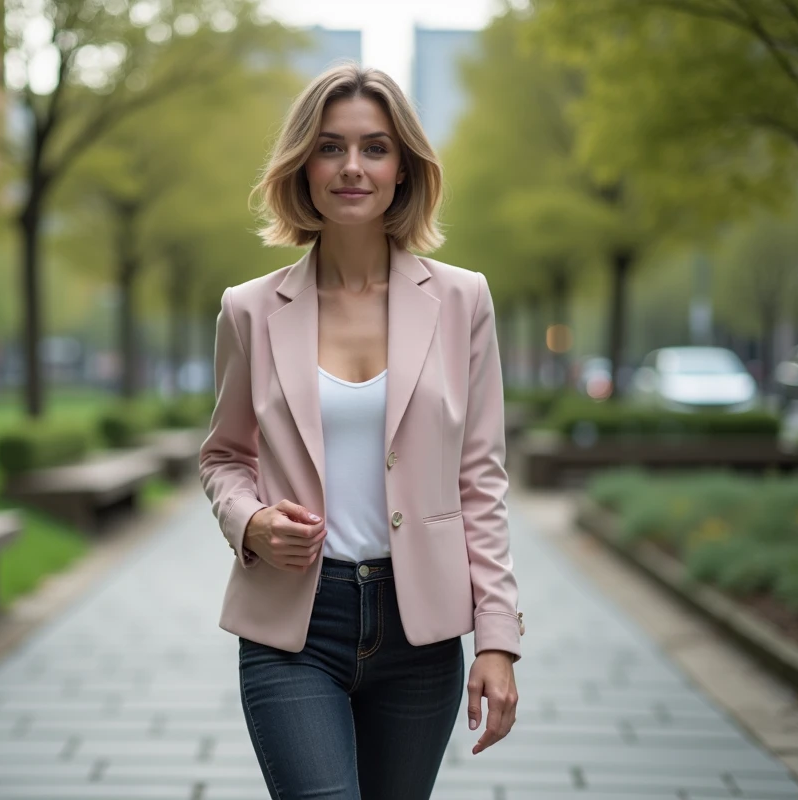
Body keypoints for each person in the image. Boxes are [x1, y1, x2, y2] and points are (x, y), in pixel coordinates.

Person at [198, 61, 524, 800]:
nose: (352, 167)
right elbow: (223, 455)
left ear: (403, 169)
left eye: (375, 148)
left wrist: (497, 639)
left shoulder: (461, 299)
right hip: (295, 625)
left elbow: (481, 479)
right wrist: (250, 521)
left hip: (423, 631)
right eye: (330, 146)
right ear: (302, 165)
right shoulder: (249, 310)